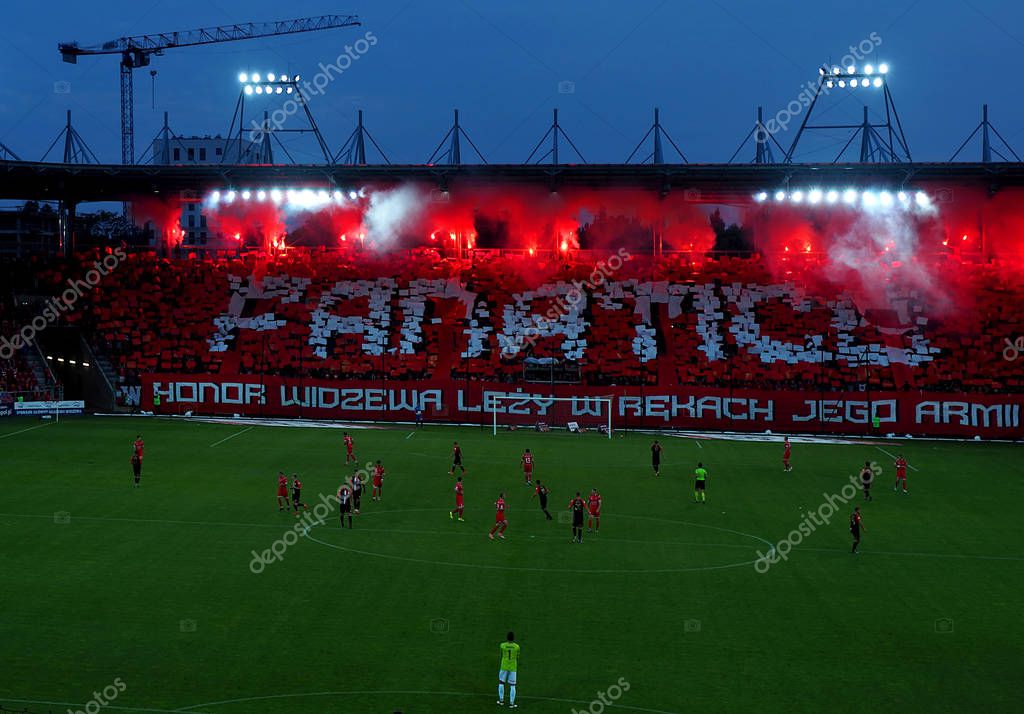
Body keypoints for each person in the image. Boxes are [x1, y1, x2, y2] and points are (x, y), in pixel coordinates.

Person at [497, 631, 520, 709]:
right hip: (513, 667)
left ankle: (501, 701)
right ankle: (511, 703)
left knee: (501, 682)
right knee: (513, 685)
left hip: (504, 666)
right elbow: (518, 657)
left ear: (507, 638)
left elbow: (501, 655)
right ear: (513, 638)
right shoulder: (517, 646)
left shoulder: (502, 645)